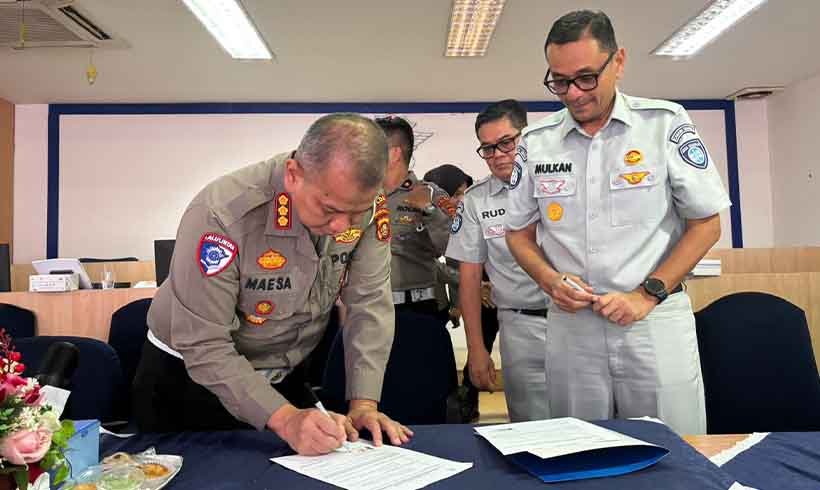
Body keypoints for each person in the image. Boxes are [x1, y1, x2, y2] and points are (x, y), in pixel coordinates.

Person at [505, 10, 731, 434]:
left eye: (586, 77)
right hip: (573, 329)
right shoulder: (537, 142)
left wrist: (647, 294)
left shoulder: (663, 125)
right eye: (560, 81)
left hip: (653, 322)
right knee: (579, 447)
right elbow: (517, 233)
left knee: (673, 447)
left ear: (619, 62)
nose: (574, 93)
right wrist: (549, 280)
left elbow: (707, 223)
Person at [133, 113, 413, 455]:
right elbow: (203, 343)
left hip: (283, 374)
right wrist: (286, 419)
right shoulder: (222, 213)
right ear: (293, 175)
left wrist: (364, 403)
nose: (342, 226)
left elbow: (369, 303)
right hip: (190, 383)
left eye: (356, 213)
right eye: (329, 209)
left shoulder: (367, 207)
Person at [446, 100, 551, 422]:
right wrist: (476, 348)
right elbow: (469, 278)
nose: (498, 154)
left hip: (577, 320)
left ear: (526, 137)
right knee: (531, 427)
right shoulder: (476, 201)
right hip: (520, 325)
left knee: (590, 425)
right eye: (488, 148)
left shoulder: (559, 184)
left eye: (506, 142)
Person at [376, 116, 455, 318]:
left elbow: (453, 248)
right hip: (369, 309)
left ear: (394, 154)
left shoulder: (431, 194)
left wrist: (429, 210)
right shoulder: (361, 197)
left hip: (416, 310)